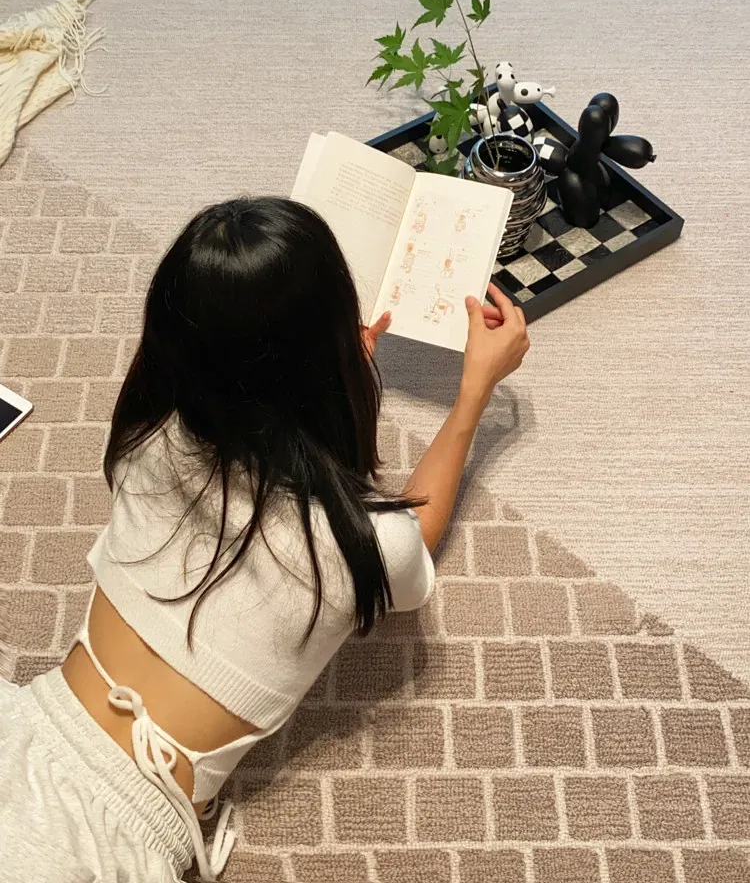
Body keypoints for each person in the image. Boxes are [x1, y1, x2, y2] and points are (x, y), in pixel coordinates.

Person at [0, 197, 529, 882]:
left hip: (26, 722)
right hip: (106, 842)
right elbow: (416, 531)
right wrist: (472, 393)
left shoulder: (145, 435)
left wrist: (313, 373)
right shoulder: (360, 545)